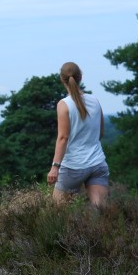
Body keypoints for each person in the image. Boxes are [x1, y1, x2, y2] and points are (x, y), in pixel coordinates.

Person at [46, 62, 109, 207]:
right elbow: (100, 133)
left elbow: (63, 138)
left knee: (57, 213)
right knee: (100, 210)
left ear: (62, 79)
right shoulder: (95, 100)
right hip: (98, 163)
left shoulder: (63, 104)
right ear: (80, 77)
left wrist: (55, 167)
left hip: (73, 166)